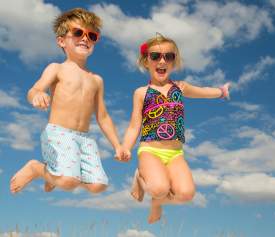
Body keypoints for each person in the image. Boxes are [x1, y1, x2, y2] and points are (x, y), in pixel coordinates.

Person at [10, 8, 125, 195]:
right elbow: (35, 89)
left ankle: (53, 172)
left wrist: (117, 145)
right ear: (61, 41)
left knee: (98, 185)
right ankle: (36, 169)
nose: (85, 38)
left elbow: (102, 116)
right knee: (69, 181)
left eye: (92, 35)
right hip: (59, 132)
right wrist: (38, 95)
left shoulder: (97, 80)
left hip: (84, 138)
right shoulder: (57, 68)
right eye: (78, 33)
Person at [122, 33, 230, 224]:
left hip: (175, 154)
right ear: (146, 61)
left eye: (168, 56)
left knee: (186, 194)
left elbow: (203, 92)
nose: (162, 60)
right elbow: (134, 125)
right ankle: (141, 176)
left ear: (174, 62)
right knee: (159, 188)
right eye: (155, 56)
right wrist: (125, 148)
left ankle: (157, 204)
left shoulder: (180, 88)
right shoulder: (141, 93)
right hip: (150, 151)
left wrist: (221, 92)